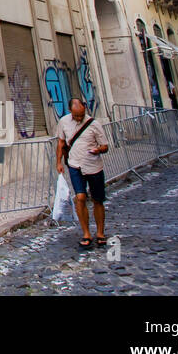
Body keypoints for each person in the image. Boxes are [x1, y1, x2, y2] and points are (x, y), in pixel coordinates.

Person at [55, 97, 110, 249]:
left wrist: (98, 150)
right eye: (76, 115)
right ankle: (86, 233)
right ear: (70, 111)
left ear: (85, 109)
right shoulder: (64, 122)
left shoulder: (94, 124)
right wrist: (58, 162)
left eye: (81, 115)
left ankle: (100, 232)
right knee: (80, 197)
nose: (79, 118)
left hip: (93, 166)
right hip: (75, 165)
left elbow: (105, 146)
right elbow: (61, 143)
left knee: (98, 200)